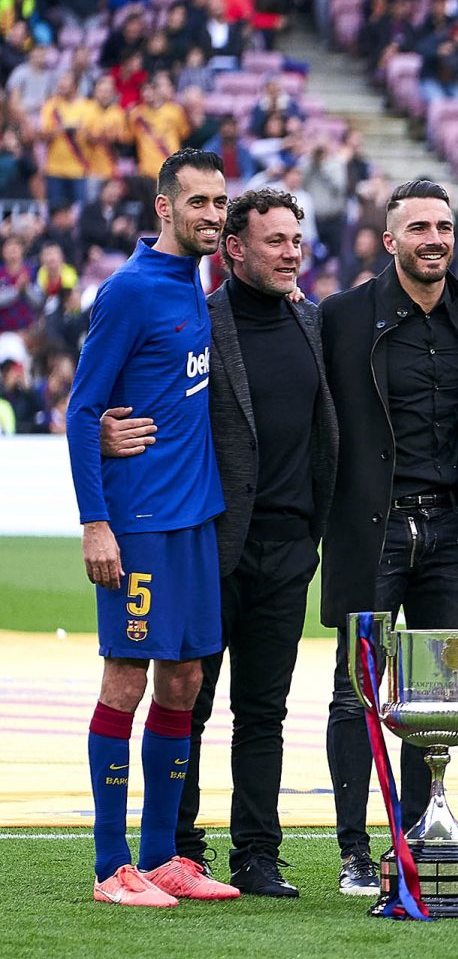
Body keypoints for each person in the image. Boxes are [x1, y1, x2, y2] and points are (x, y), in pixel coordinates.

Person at [97, 188, 336, 897]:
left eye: (297, 240)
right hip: (208, 539)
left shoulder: (314, 324)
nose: (292, 252)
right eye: (276, 241)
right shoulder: (199, 321)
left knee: (264, 711)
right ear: (234, 249)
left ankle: (258, 854)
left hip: (291, 546)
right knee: (188, 699)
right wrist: (108, 433)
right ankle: (178, 846)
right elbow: (124, 396)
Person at [319, 181, 458, 897]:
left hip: (452, 529)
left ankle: (422, 837)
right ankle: (353, 849)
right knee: (355, 689)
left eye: (445, 226)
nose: (435, 238)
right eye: (419, 227)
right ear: (388, 240)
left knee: (435, 693)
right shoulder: (342, 317)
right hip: (374, 524)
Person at [64, 149, 228, 907]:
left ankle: (164, 857)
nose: (212, 216)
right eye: (198, 203)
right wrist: (96, 523)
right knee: (126, 679)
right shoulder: (129, 291)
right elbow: (80, 410)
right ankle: (110, 867)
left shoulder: (195, 284)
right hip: (139, 525)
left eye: (219, 203)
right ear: (165, 208)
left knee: (187, 679)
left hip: (195, 517)